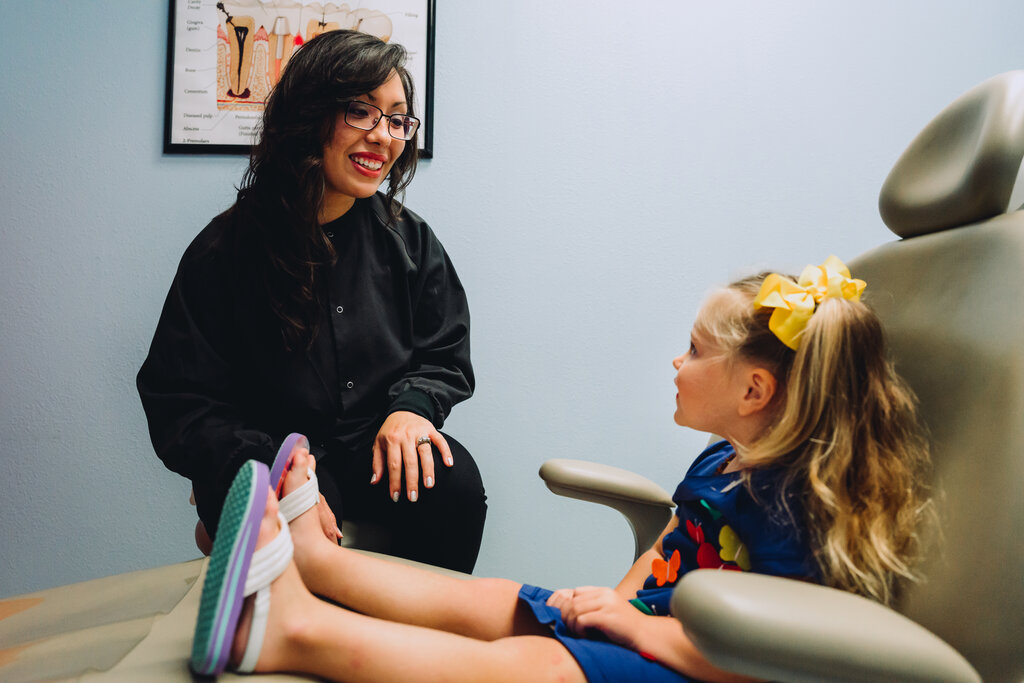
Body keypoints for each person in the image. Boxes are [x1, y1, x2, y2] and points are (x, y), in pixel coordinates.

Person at [190, 257, 933, 681]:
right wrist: (613, 607)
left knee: (534, 665)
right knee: (502, 600)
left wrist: (638, 637)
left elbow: (762, 660)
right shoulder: (725, 459)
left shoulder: (792, 506)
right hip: (657, 634)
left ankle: (293, 632)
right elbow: (668, 548)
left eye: (698, 350)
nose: (679, 362)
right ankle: (318, 560)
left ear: (753, 389)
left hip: (697, 667)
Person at [137, 30, 486, 573]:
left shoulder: (410, 241)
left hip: (372, 449)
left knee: (453, 482)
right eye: (360, 111)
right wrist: (259, 464)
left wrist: (410, 409)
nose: (384, 137)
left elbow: (444, 353)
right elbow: (181, 400)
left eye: (397, 119)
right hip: (265, 455)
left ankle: (422, 640)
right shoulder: (223, 251)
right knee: (297, 546)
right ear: (308, 116)